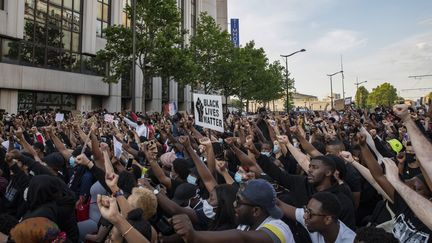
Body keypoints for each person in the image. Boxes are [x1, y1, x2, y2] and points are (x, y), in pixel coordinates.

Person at [171, 179, 295, 243]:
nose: (234, 204)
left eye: (239, 201)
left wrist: (195, 236)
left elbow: (242, 239)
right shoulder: (245, 225)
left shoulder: (279, 227)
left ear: (256, 210)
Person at [278, 191, 356, 243]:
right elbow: (280, 205)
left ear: (328, 219)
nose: (305, 216)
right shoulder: (312, 217)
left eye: (309, 213)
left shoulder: (350, 240)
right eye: (306, 210)